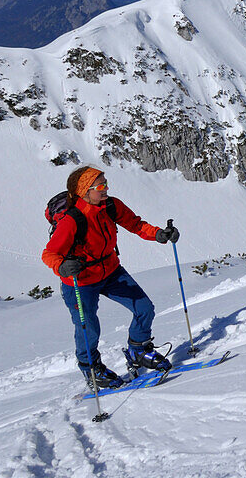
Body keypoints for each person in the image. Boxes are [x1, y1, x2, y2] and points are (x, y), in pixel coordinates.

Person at [42, 165, 180, 389]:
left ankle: (138, 350)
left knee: (144, 308)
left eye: (106, 183)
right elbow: (49, 254)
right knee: (88, 328)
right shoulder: (72, 219)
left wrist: (158, 234)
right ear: (85, 190)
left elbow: (135, 224)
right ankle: (91, 370)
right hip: (81, 280)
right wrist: (62, 266)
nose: (106, 188)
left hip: (110, 270)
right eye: (100, 185)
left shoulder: (111, 206)